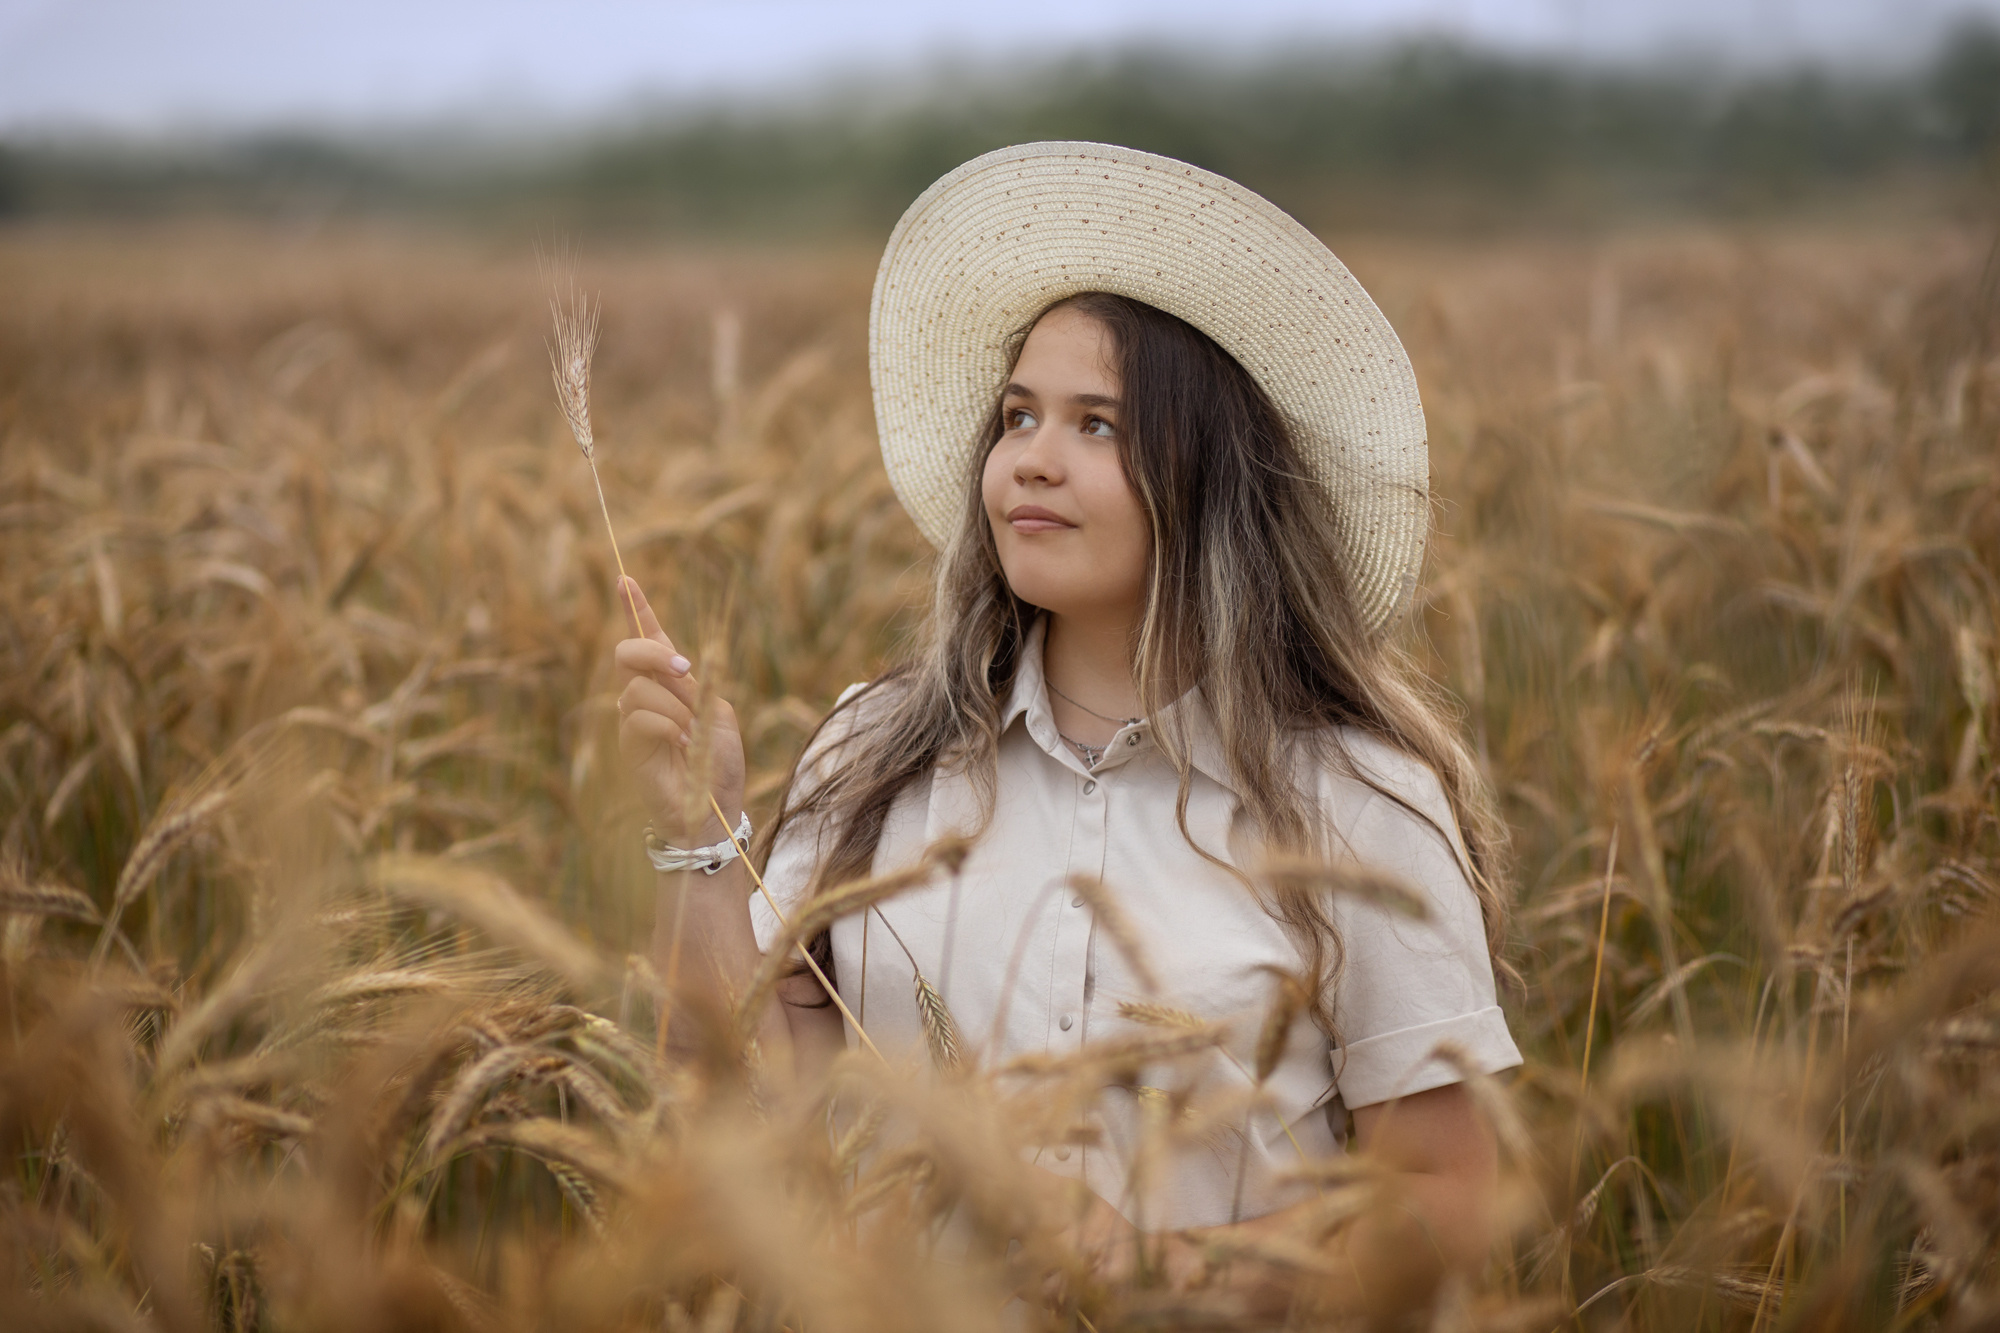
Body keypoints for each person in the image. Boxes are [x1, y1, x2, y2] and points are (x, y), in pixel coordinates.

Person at [613, 142, 1522, 1313]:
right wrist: (698, 829)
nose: (1031, 462)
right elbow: (738, 1093)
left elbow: (1447, 1196)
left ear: (1212, 477)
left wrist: (1165, 1270)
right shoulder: (876, 753)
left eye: (1097, 426)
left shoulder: (1355, 799)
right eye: (1018, 415)